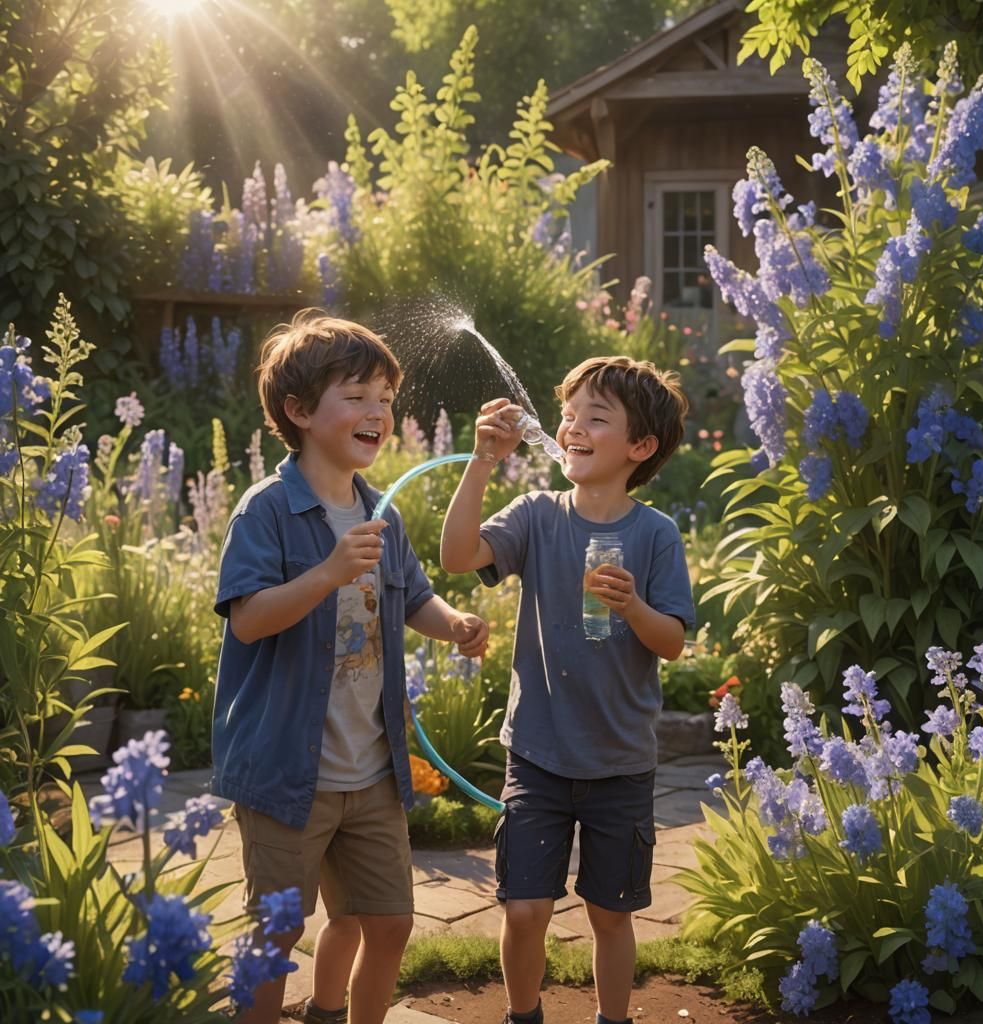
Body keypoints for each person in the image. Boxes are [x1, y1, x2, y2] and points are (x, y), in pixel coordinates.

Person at [212, 311, 489, 1024]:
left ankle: (332, 1014)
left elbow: (414, 596)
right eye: (358, 395)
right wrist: (329, 573)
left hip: (370, 768)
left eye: (387, 399)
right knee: (276, 932)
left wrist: (451, 623)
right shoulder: (267, 511)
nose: (378, 413)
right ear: (299, 412)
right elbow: (247, 618)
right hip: (285, 773)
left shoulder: (381, 512)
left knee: (388, 922)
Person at [440, 355, 695, 1024]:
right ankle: (524, 1017)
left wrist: (636, 609)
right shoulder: (537, 516)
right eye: (569, 415)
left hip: (619, 763)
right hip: (538, 754)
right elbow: (457, 555)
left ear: (640, 447)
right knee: (524, 908)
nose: (573, 426)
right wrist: (481, 462)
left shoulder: (655, 536)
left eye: (596, 418)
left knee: (610, 914)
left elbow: (672, 641)